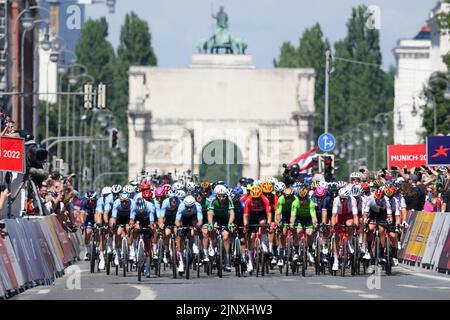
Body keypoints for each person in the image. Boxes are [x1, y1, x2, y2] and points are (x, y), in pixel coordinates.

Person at [207, 185, 235, 272]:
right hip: (216, 218)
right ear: (217, 195)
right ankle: (212, 245)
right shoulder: (213, 200)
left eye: (223, 196)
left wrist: (230, 223)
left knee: (226, 236)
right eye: (220, 196)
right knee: (213, 228)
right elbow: (210, 213)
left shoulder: (229, 200)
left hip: (225, 219)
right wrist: (210, 224)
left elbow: (232, 213)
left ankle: (227, 259)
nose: (222, 198)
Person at [175, 195, 203, 273]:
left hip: (193, 218)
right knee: (181, 237)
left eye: (191, 207)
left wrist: (197, 226)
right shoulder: (181, 206)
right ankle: (181, 263)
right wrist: (179, 226)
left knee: (194, 228)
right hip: (183, 219)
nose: (189, 209)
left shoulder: (197, 206)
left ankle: (193, 244)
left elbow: (200, 220)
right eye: (187, 207)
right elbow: (177, 220)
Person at [109, 192, 136, 266]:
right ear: (120, 201)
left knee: (129, 229)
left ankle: (131, 249)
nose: (124, 203)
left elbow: (132, 218)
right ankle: (117, 254)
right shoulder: (116, 203)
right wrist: (113, 225)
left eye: (126, 201)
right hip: (119, 217)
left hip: (128, 217)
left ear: (128, 200)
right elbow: (114, 217)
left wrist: (130, 225)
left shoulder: (132, 203)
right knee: (118, 233)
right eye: (122, 202)